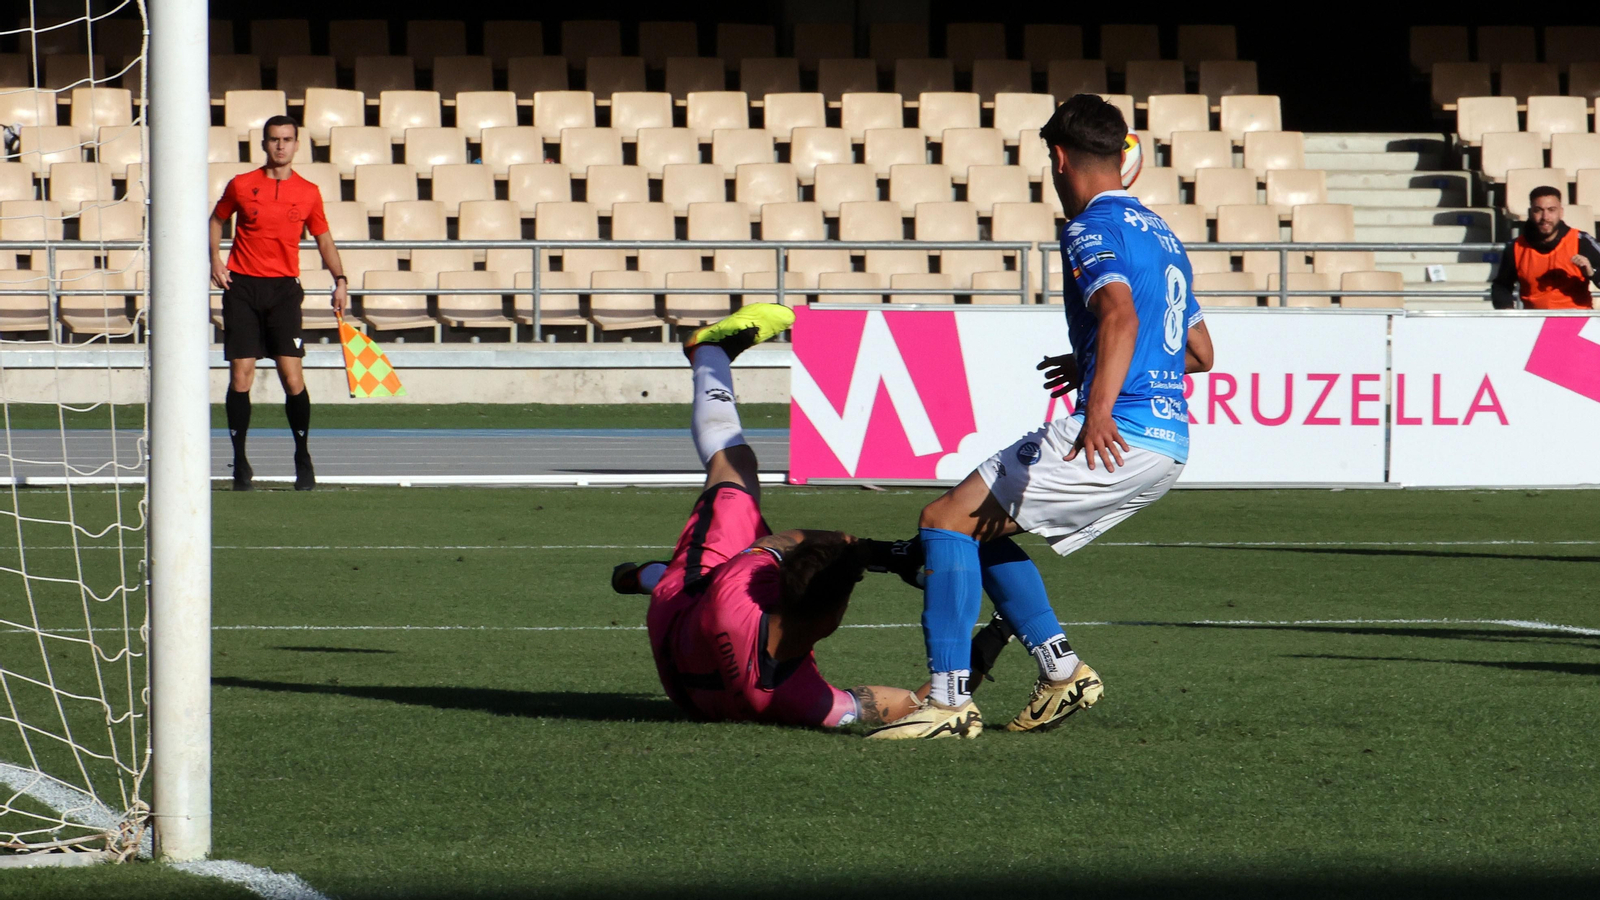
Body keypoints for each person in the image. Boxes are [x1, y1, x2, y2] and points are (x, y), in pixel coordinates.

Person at [875, 94, 1216, 740]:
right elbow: (1198, 352)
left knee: (942, 521)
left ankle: (948, 702)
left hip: (1122, 431)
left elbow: (1120, 314)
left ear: (1058, 160)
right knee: (980, 531)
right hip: (1169, 441)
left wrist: (1098, 407)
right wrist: (1091, 361)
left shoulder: (1090, 228)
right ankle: (1059, 670)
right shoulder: (1164, 236)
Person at [611, 305, 940, 733]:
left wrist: (868, 549)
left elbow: (781, 541)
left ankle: (708, 352)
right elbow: (901, 704)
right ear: (830, 622)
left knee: (735, 464)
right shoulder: (802, 702)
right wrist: (980, 652)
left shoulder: (736, 591)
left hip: (685, 607)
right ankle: (645, 577)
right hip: (691, 692)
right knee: (703, 550)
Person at [209, 115, 349, 491]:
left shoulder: (308, 191)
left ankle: (302, 456)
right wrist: (216, 260)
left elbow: (323, 239)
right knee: (241, 376)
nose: (280, 146)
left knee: (293, 378)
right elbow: (216, 220)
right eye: (274, 139)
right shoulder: (242, 185)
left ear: (297, 144)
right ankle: (239, 462)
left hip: (284, 291)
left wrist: (340, 279)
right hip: (242, 289)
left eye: (287, 139)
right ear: (264, 143)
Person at [1490, 185, 1600, 310]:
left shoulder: (1581, 241)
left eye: (1551, 210)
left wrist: (1592, 273)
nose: (1545, 217)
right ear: (1530, 212)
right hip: (1534, 322)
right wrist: (1507, 311)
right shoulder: (1516, 247)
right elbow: (1501, 286)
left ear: (1561, 212)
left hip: (1577, 321)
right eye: (1538, 210)